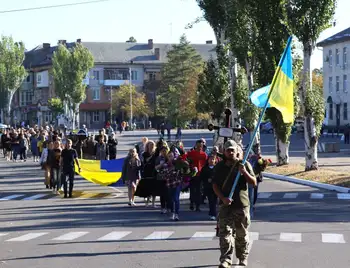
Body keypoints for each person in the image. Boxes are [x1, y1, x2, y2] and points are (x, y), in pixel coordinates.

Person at [212, 140, 257, 267]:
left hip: (241, 205)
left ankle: (242, 258)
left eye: (233, 150)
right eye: (228, 150)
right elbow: (215, 185)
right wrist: (223, 198)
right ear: (224, 152)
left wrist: (244, 172)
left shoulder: (244, 164)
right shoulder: (219, 167)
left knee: (241, 234)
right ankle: (225, 259)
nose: (230, 152)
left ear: (237, 151)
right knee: (224, 234)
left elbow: (253, 183)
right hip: (225, 205)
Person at [200, 154, 219, 220]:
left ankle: (213, 213)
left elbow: (220, 176)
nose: (212, 160)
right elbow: (201, 177)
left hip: (216, 187)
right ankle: (212, 214)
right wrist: (206, 180)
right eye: (210, 159)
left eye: (213, 159)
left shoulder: (217, 168)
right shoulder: (205, 168)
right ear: (208, 160)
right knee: (211, 201)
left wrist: (214, 179)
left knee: (215, 201)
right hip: (208, 187)